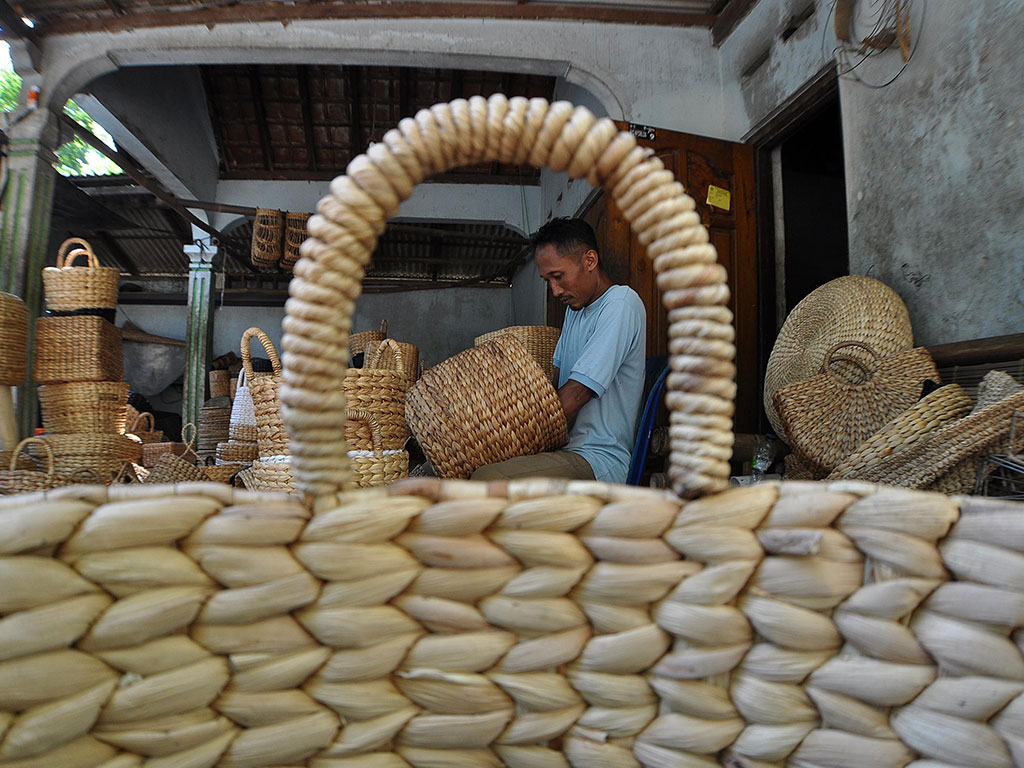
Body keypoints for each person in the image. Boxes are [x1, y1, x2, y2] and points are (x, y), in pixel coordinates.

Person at [471, 217, 646, 484]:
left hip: (599, 458)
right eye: (547, 281)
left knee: (487, 477)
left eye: (558, 276)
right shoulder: (574, 311)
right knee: (454, 468)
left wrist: (508, 437)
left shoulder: (621, 304)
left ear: (589, 261)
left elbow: (576, 394)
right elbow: (556, 386)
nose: (554, 290)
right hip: (565, 449)